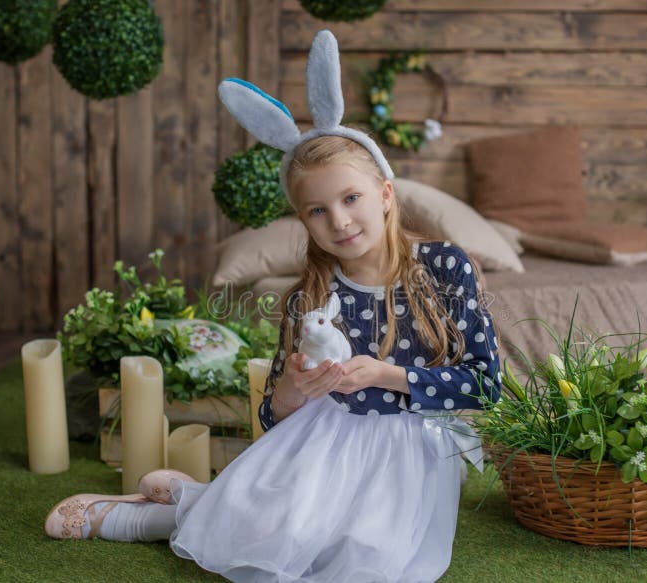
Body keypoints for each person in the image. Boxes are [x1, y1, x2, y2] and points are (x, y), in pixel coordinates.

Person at [44, 29, 502, 583]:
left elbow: (485, 384)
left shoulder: (443, 267)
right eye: (317, 210)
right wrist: (288, 394)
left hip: (408, 454)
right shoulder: (311, 295)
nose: (339, 221)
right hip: (323, 443)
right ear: (301, 219)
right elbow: (278, 418)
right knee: (274, 525)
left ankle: (189, 503)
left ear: (385, 194)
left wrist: (387, 373)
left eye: (351, 198)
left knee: (363, 557)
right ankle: (163, 517)